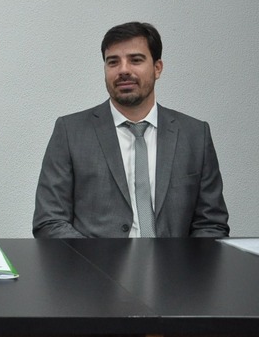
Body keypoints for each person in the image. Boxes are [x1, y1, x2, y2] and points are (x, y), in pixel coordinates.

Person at [33, 22, 229, 238]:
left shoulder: (195, 135)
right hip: (93, 260)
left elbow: (211, 224)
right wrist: (91, 259)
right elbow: (50, 221)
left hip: (175, 260)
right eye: (113, 62)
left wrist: (184, 260)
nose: (123, 70)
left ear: (157, 68)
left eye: (136, 60)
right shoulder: (70, 132)